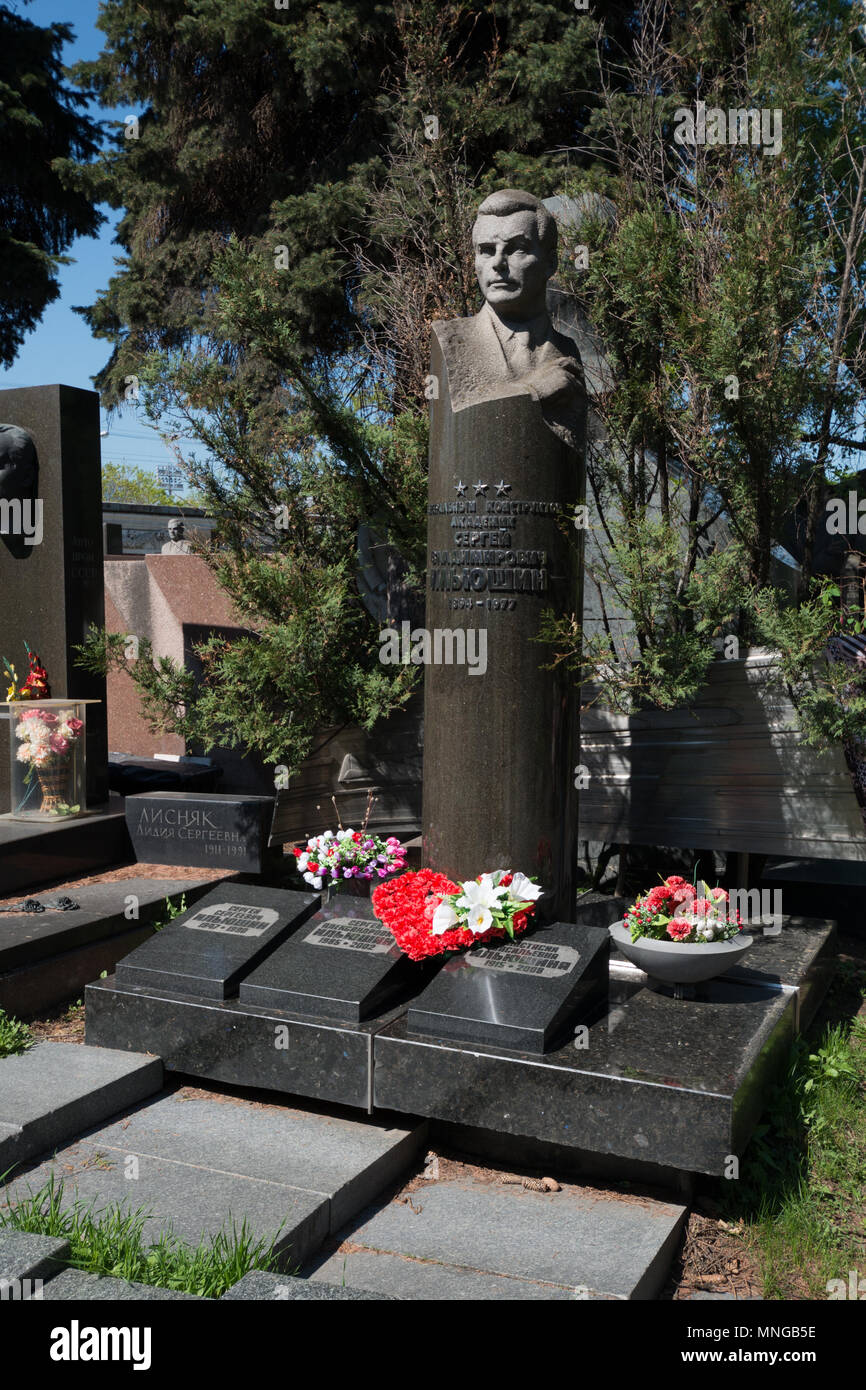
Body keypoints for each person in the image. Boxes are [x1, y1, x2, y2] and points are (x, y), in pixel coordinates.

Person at [432, 188, 585, 448]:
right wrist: (533, 391)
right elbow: (453, 424)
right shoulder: (450, 340)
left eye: (517, 249)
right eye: (487, 250)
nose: (498, 263)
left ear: (550, 263)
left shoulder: (567, 351)